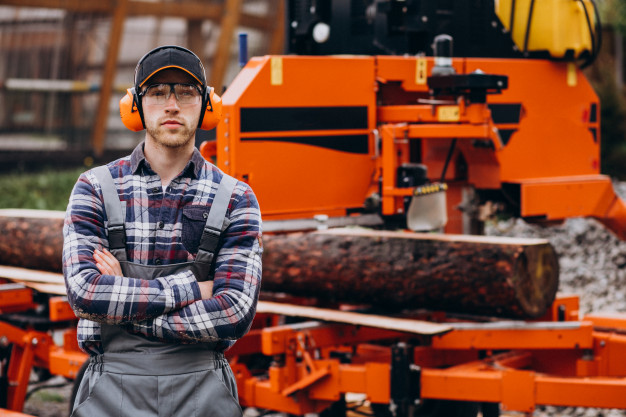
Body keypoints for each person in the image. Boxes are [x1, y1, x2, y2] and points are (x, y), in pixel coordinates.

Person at [62, 45, 262, 417]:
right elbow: (86, 293)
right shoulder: (95, 187)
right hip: (111, 392)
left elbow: (233, 312)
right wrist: (194, 289)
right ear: (135, 106)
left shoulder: (236, 198)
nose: (172, 105)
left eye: (186, 92)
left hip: (202, 393)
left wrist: (122, 307)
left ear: (207, 106)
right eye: (157, 92)